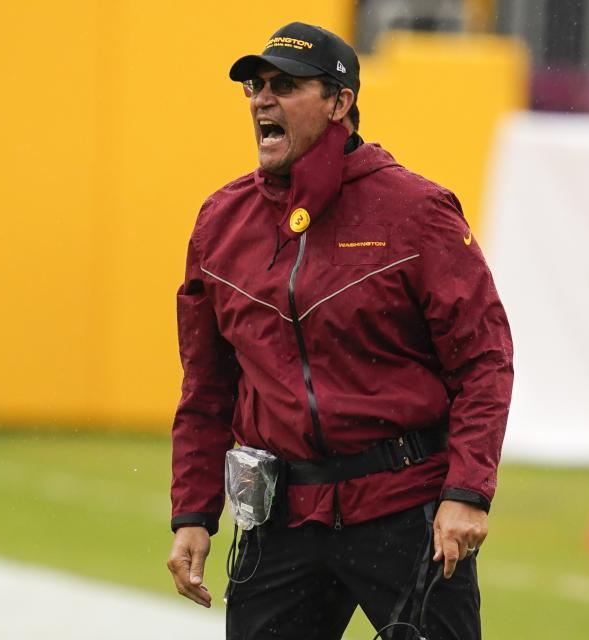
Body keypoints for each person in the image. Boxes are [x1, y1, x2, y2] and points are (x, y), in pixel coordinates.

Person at [166, 22, 513, 640]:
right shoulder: (221, 222)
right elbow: (207, 387)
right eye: (255, 86)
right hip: (281, 521)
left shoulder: (417, 211)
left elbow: (484, 360)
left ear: (339, 103)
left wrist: (468, 492)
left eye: (285, 86)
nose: (261, 99)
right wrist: (193, 513)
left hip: (406, 511)